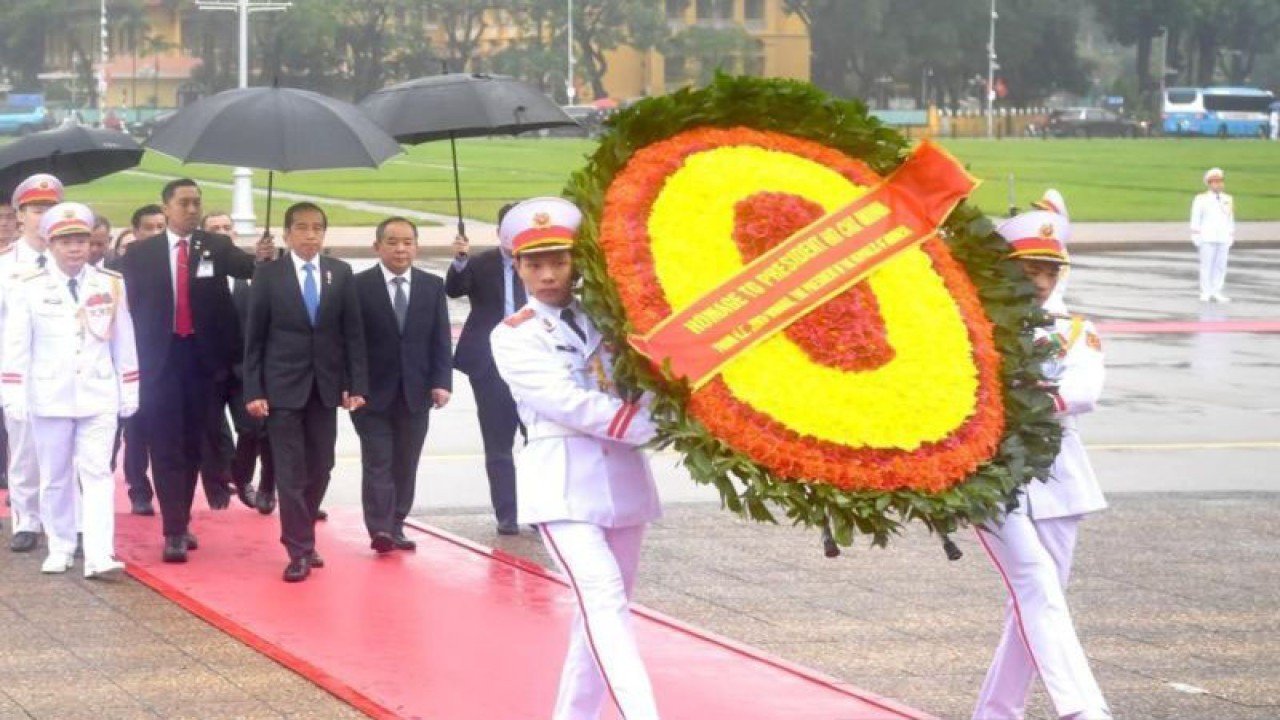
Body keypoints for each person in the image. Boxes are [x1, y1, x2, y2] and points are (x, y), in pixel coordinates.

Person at [490, 197, 662, 720]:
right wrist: (644, 424)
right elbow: (564, 401)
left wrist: (662, 408)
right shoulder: (514, 334)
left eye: (558, 262)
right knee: (603, 600)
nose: (548, 275)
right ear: (517, 267)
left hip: (623, 479)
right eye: (535, 264)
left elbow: (643, 380)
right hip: (562, 484)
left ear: (576, 262)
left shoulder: (606, 320)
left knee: (602, 613)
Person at [973, 209, 1111, 720]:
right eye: (1030, 269)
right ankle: (1084, 711)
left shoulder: (1074, 330)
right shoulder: (973, 326)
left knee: (1037, 601)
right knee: (1036, 584)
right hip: (990, 477)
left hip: (1059, 480)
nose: (1041, 281)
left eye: (1049, 271)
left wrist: (1020, 395)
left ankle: (996, 713)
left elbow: (1084, 390)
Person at [120, 178, 272, 563]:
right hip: (160, 362)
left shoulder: (214, 246)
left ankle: (181, 518)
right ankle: (173, 530)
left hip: (203, 364)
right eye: (184, 203)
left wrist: (263, 257)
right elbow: (124, 303)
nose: (191, 209)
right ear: (166, 207)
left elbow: (246, 267)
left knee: (193, 446)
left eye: (196, 203)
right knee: (165, 444)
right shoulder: (141, 254)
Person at [1, 202, 138, 578]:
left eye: (80, 240)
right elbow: (16, 345)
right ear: (50, 244)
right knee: (55, 476)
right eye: (66, 242)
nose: (75, 248)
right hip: (50, 395)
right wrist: (13, 393)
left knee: (97, 473)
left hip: (98, 392)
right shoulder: (28, 287)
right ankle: (60, 544)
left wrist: (129, 387)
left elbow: (123, 340)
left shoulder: (109, 282)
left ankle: (99, 553)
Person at [243, 201, 368, 582]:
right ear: (287, 234)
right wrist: (254, 389)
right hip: (282, 388)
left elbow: (352, 334)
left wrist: (356, 383)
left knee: (321, 466)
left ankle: (303, 530)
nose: (310, 235)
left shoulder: (339, 273)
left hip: (325, 388)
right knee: (290, 471)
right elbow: (254, 338)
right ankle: (299, 548)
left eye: (317, 228)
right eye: (301, 227)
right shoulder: (269, 275)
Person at [352, 217, 452, 553]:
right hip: (370, 394)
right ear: (377, 246)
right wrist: (353, 386)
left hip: (416, 392)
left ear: (416, 247)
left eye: (407, 242)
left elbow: (440, 338)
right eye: (392, 242)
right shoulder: (359, 286)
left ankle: (396, 523)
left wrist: (441, 382)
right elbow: (351, 341)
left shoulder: (431, 286)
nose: (400, 249)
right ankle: (379, 528)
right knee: (377, 461)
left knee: (406, 462)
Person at [446, 203, 525, 535]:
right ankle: (507, 513)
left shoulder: (539, 262)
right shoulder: (481, 263)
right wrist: (460, 259)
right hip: (490, 364)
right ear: (498, 232)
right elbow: (454, 289)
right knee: (497, 442)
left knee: (541, 441)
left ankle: (541, 509)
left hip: (534, 364)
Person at [0, 173, 62, 553]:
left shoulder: (68, 259)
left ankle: (62, 519)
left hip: (61, 369)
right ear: (20, 215)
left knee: (62, 451)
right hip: (20, 370)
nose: (43, 216)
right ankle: (26, 519)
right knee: (24, 449)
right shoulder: (5, 264)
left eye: (50, 208)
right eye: (37, 209)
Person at [108, 204, 168, 516]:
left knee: (165, 431)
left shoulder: (174, 263)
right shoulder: (118, 269)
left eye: (161, 227)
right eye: (149, 227)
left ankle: (169, 493)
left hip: (166, 358)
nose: (155, 233)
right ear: (135, 231)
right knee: (134, 428)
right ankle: (139, 489)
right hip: (130, 358)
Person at [1190, 167, 1235, 303]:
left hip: (1223, 236)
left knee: (1220, 265)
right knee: (1207, 265)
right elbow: (1195, 218)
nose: (1218, 184)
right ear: (1209, 184)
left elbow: (1230, 218)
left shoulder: (1228, 199)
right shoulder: (1201, 199)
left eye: (1220, 181)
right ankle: (1206, 291)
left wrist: (1231, 234)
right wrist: (1195, 235)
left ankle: (1217, 291)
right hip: (1207, 236)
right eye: (1215, 182)